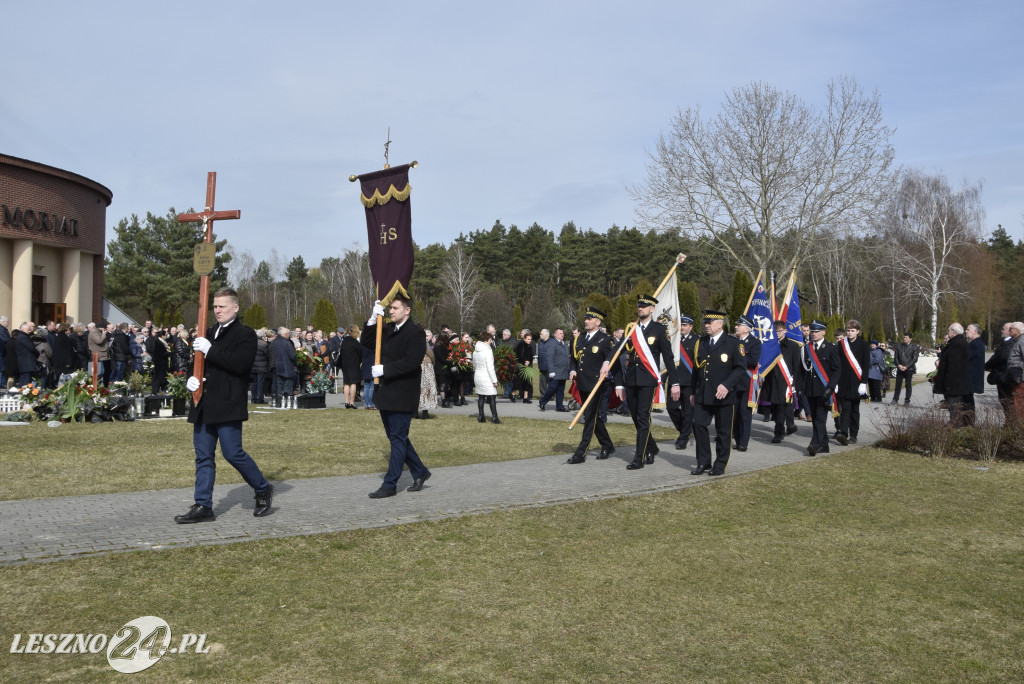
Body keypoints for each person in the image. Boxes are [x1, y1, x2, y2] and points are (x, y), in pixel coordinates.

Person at [175, 288, 274, 523]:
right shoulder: (208, 331)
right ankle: (203, 505)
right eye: (215, 306)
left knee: (233, 453)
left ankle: (262, 488)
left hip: (228, 401)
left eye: (222, 306)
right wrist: (192, 377)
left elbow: (240, 364)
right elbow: (196, 362)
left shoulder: (245, 334)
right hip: (204, 402)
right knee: (203, 456)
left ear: (236, 307)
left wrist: (210, 349)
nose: (217, 310)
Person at [361, 295, 432, 498]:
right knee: (396, 437)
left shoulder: (415, 332)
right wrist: (373, 320)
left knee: (397, 439)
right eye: (390, 308)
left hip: (403, 393)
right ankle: (420, 471)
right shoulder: (389, 328)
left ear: (407, 310)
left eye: (395, 308)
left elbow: (411, 361)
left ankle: (390, 484)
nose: (391, 311)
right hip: (387, 393)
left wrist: (385, 369)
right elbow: (367, 342)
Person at [615, 294, 680, 470]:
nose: (640, 309)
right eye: (639, 306)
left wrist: (674, 382)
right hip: (631, 379)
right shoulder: (632, 329)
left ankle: (640, 457)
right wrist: (614, 374)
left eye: (644, 306)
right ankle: (651, 447)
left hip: (648, 380)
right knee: (636, 418)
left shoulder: (659, 330)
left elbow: (668, 357)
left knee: (644, 418)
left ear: (652, 310)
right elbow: (618, 351)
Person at [689, 310, 746, 475]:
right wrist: (693, 391)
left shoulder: (733, 343)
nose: (706, 325)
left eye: (710, 322)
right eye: (705, 322)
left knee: (723, 431)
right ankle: (703, 462)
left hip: (724, 396)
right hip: (703, 393)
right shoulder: (701, 342)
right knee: (698, 424)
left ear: (720, 324)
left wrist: (727, 385)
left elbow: (740, 368)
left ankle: (720, 464)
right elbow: (696, 368)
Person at [567, 307, 619, 464]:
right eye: (585, 318)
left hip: (597, 385)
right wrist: (572, 370)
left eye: (589, 319)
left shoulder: (605, 340)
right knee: (594, 417)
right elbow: (574, 360)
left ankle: (581, 453)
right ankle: (607, 445)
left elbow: (612, 360)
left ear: (598, 321)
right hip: (582, 383)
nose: (586, 321)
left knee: (589, 417)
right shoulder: (580, 339)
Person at [802, 320, 842, 456]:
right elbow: (803, 370)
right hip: (810, 389)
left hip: (824, 389)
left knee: (820, 418)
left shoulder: (831, 348)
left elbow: (837, 370)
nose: (814, 334)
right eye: (812, 331)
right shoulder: (807, 348)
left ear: (824, 332)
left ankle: (815, 444)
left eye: (817, 331)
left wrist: (831, 387)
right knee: (815, 417)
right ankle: (824, 445)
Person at [764, 320, 802, 444]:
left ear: (785, 331)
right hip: (772, 381)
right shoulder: (770, 344)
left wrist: (794, 381)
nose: (777, 333)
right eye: (775, 331)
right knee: (775, 408)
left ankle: (779, 432)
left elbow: (796, 365)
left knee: (782, 407)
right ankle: (784, 426)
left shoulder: (793, 346)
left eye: (779, 331)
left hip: (786, 381)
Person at [835, 320, 869, 445]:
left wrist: (863, 383)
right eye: (848, 330)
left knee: (855, 410)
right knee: (845, 408)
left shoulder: (864, 345)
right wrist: (836, 382)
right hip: (843, 381)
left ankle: (853, 434)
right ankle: (843, 433)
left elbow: (866, 365)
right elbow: (837, 364)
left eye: (852, 331)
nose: (850, 333)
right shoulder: (841, 344)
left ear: (858, 332)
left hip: (857, 382)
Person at [731, 315, 762, 452]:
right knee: (735, 414)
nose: (736, 327)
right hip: (732, 382)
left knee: (744, 414)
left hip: (746, 382)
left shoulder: (754, 343)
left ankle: (744, 442)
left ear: (747, 329)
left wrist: (737, 359)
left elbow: (752, 361)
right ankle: (737, 440)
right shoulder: (732, 341)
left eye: (739, 325)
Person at [666, 314, 697, 450]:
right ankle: (685, 430)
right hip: (674, 381)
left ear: (691, 327)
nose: (682, 327)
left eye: (685, 325)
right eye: (681, 325)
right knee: (671, 408)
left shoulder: (697, 341)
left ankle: (683, 438)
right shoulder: (673, 339)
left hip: (689, 382)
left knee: (688, 411)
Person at [932, 322, 971, 426]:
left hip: (954, 385)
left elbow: (953, 366)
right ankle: (954, 426)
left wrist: (947, 384)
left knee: (955, 410)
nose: (948, 332)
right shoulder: (955, 343)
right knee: (953, 410)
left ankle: (955, 430)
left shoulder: (957, 344)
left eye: (949, 330)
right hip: (955, 383)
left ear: (954, 332)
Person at [986, 322, 1017, 422]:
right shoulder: (1006, 341)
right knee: (1004, 401)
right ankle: (1009, 421)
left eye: (1003, 329)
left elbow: (1001, 357)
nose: (1001, 331)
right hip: (1002, 375)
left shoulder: (1010, 342)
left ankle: (1010, 423)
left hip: (1004, 376)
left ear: (1009, 330)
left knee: (1007, 400)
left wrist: (988, 365)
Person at [538, 328, 570, 412]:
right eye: (560, 333)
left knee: (561, 389)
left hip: (563, 370)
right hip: (555, 370)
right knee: (553, 387)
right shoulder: (552, 343)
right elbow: (550, 357)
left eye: (562, 333)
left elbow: (567, 357)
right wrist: (551, 370)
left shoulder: (564, 344)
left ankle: (559, 406)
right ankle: (543, 401)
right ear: (555, 335)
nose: (562, 335)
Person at [472, 330, 500, 423]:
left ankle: (481, 417)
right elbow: (490, 367)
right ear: (487, 339)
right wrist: (494, 380)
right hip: (486, 376)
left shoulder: (476, 350)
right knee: (492, 397)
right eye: (490, 340)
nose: (491, 341)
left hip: (478, 375)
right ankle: (494, 417)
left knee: (481, 397)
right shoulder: (488, 350)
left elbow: (474, 364)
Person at [965, 323, 986, 424]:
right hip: (971, 379)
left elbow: (964, 357)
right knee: (968, 401)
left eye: (968, 329)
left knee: (968, 402)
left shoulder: (975, 344)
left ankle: (968, 423)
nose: (966, 331)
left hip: (970, 379)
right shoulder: (976, 343)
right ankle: (968, 422)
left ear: (975, 331)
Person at [891, 332, 919, 405]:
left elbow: (915, 359)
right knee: (898, 384)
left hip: (909, 369)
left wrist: (907, 366)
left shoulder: (914, 346)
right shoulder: (899, 346)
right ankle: (895, 399)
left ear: (910, 339)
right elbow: (896, 357)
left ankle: (907, 400)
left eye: (906, 338)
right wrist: (899, 365)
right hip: (900, 368)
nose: (904, 339)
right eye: (904, 337)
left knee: (908, 385)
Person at [340, 325, 362, 409]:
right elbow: (360, 354)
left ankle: (346, 402)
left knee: (346, 383)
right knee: (353, 383)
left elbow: (341, 353)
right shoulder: (355, 342)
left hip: (345, 364)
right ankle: (352, 402)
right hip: (354, 364)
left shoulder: (344, 341)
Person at [273, 327, 297, 403]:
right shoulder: (287, 343)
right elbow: (292, 355)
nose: (289, 335)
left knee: (280, 385)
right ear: (286, 334)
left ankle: (279, 400)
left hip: (279, 366)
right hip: (287, 366)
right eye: (288, 334)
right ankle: (287, 400)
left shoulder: (276, 342)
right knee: (288, 384)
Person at [1006, 322, 1024, 424]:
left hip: (1020, 378)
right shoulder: (1017, 341)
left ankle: (1020, 427)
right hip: (1016, 377)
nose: (1009, 331)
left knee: (1019, 403)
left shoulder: (1022, 341)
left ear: (1017, 331)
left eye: (1011, 329)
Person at [417, 329, 437, 419]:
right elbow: (431, 355)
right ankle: (425, 413)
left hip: (416, 366)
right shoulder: (424, 342)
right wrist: (432, 362)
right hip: (425, 366)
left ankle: (415, 412)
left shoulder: (412, 341)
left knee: (418, 389)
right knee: (426, 389)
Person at [513, 331, 535, 404]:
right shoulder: (520, 345)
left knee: (527, 382)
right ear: (524, 339)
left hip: (527, 366)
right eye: (528, 339)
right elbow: (518, 355)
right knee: (518, 382)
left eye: (530, 339)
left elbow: (531, 356)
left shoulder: (530, 346)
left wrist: (529, 361)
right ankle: (513, 394)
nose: (530, 341)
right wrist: (523, 361)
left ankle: (525, 398)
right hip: (520, 366)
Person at [251, 329, 271, 404]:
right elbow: (267, 355)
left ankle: (253, 398)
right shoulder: (264, 344)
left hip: (253, 366)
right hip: (262, 366)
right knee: (260, 383)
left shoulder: (251, 343)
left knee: (253, 383)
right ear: (263, 336)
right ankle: (260, 398)